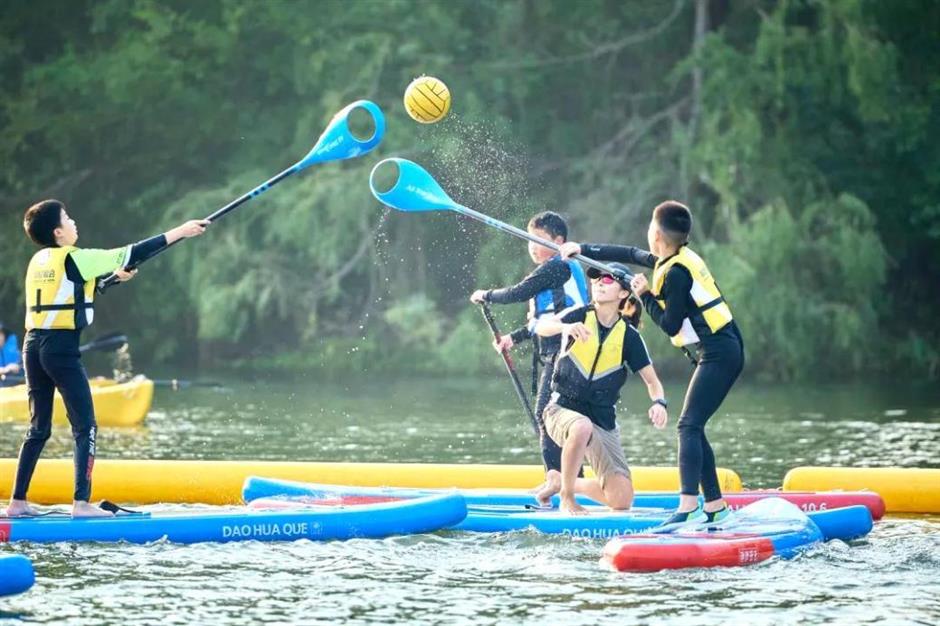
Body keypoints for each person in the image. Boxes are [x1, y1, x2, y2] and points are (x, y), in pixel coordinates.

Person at [5, 199, 208, 518]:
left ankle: (17, 502)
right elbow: (133, 251)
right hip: (61, 350)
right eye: (68, 218)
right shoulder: (77, 257)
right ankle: (81, 504)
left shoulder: (39, 261)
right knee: (85, 427)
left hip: (33, 348)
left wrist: (114, 278)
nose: (74, 222)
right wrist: (181, 231)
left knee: (38, 428)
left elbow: (76, 290)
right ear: (58, 232)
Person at [562, 201, 745, 528]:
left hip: (720, 352)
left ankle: (689, 506)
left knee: (687, 426)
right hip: (719, 350)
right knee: (695, 426)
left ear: (657, 235)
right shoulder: (673, 258)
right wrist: (582, 248)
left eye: (650, 227)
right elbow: (631, 254)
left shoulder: (675, 274)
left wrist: (644, 296)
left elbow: (671, 325)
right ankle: (715, 506)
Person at [533, 262, 668, 515]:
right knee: (580, 425)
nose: (598, 284)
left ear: (623, 293)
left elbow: (653, 382)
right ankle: (567, 496)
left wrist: (659, 403)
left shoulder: (629, 337)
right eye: (595, 280)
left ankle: (561, 481)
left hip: (602, 420)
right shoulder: (579, 315)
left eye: (607, 280)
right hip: (560, 410)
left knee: (621, 500)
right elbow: (541, 327)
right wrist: (564, 327)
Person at [469, 211, 589, 481]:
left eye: (539, 240)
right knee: (557, 420)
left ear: (559, 241)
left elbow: (517, 293)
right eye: (528, 240)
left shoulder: (559, 264)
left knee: (547, 415)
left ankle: (559, 484)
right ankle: (572, 483)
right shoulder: (551, 271)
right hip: (558, 351)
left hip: (566, 352)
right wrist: (515, 337)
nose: (532, 246)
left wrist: (485, 295)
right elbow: (542, 320)